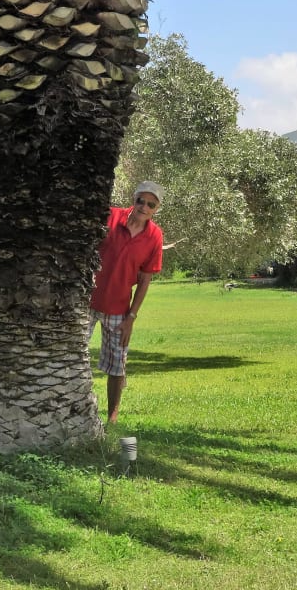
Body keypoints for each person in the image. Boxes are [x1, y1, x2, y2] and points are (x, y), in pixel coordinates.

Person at [89, 180, 165, 423]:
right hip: (86, 302)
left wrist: (131, 318)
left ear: (156, 209)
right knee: (72, 355)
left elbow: (145, 280)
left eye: (150, 204)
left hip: (119, 309)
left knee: (117, 366)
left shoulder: (154, 236)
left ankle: (112, 416)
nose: (144, 206)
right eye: (140, 200)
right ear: (134, 200)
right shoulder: (110, 216)